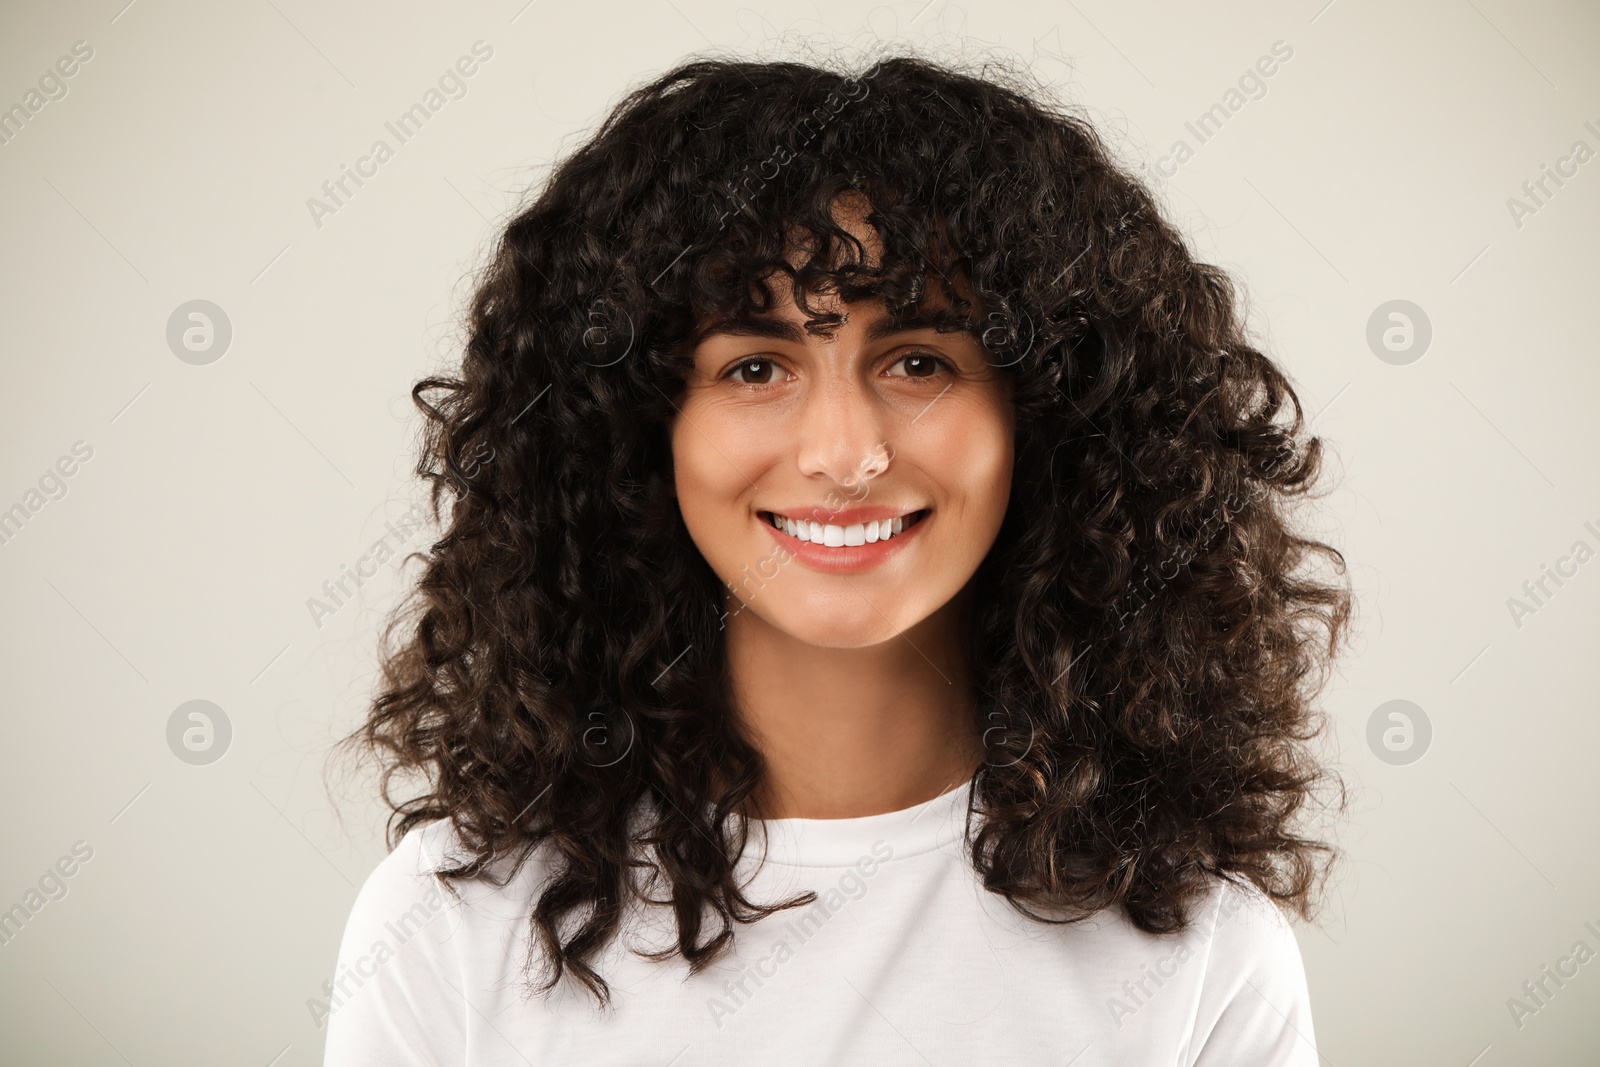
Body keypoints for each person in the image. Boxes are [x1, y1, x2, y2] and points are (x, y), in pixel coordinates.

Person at [323, 51, 1351, 1066]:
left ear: (1044, 420)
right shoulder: (450, 927)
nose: (843, 454)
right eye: (756, 365)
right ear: (639, 433)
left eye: (918, 362)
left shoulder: (1195, 946)